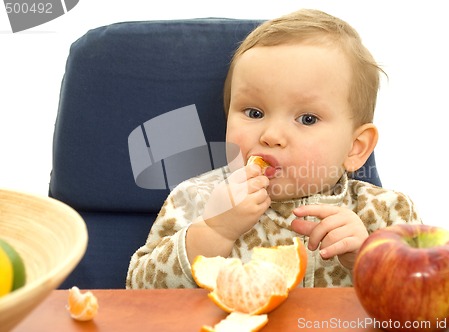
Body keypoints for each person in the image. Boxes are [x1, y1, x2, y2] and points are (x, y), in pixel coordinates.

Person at [126, 9, 421, 289]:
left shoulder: (386, 214)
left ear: (355, 148)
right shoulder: (196, 199)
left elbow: (426, 303)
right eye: (254, 113)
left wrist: (370, 262)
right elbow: (138, 290)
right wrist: (214, 232)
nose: (271, 135)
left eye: (307, 119)